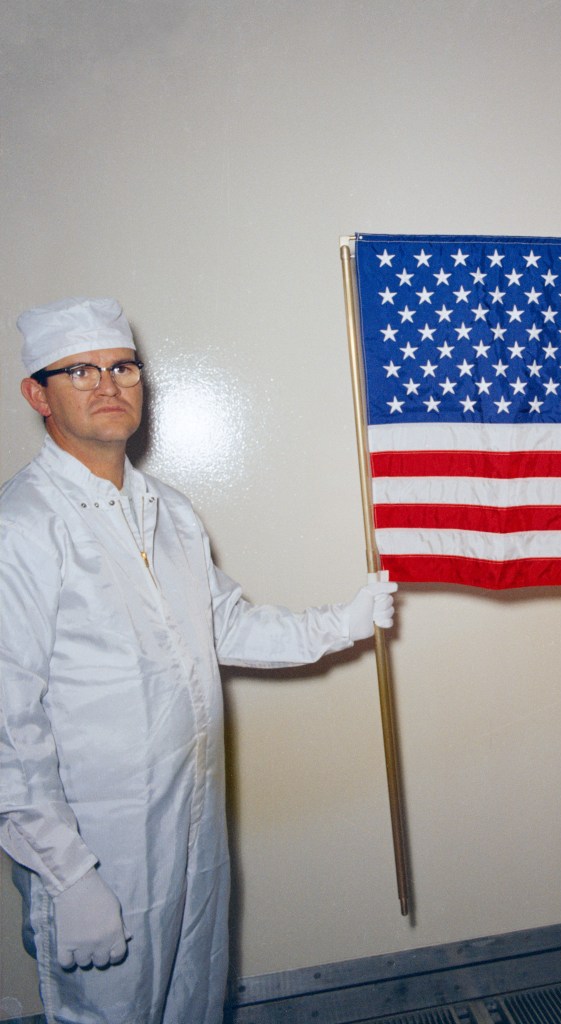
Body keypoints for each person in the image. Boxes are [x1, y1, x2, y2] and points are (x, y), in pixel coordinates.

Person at [0, 296, 397, 1024]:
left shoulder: (169, 512)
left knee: (194, 1002)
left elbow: (225, 626)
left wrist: (341, 624)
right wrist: (68, 876)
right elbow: (8, 729)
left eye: (122, 366)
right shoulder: (22, 529)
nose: (108, 385)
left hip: (192, 826)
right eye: (80, 371)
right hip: (100, 845)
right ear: (38, 394)